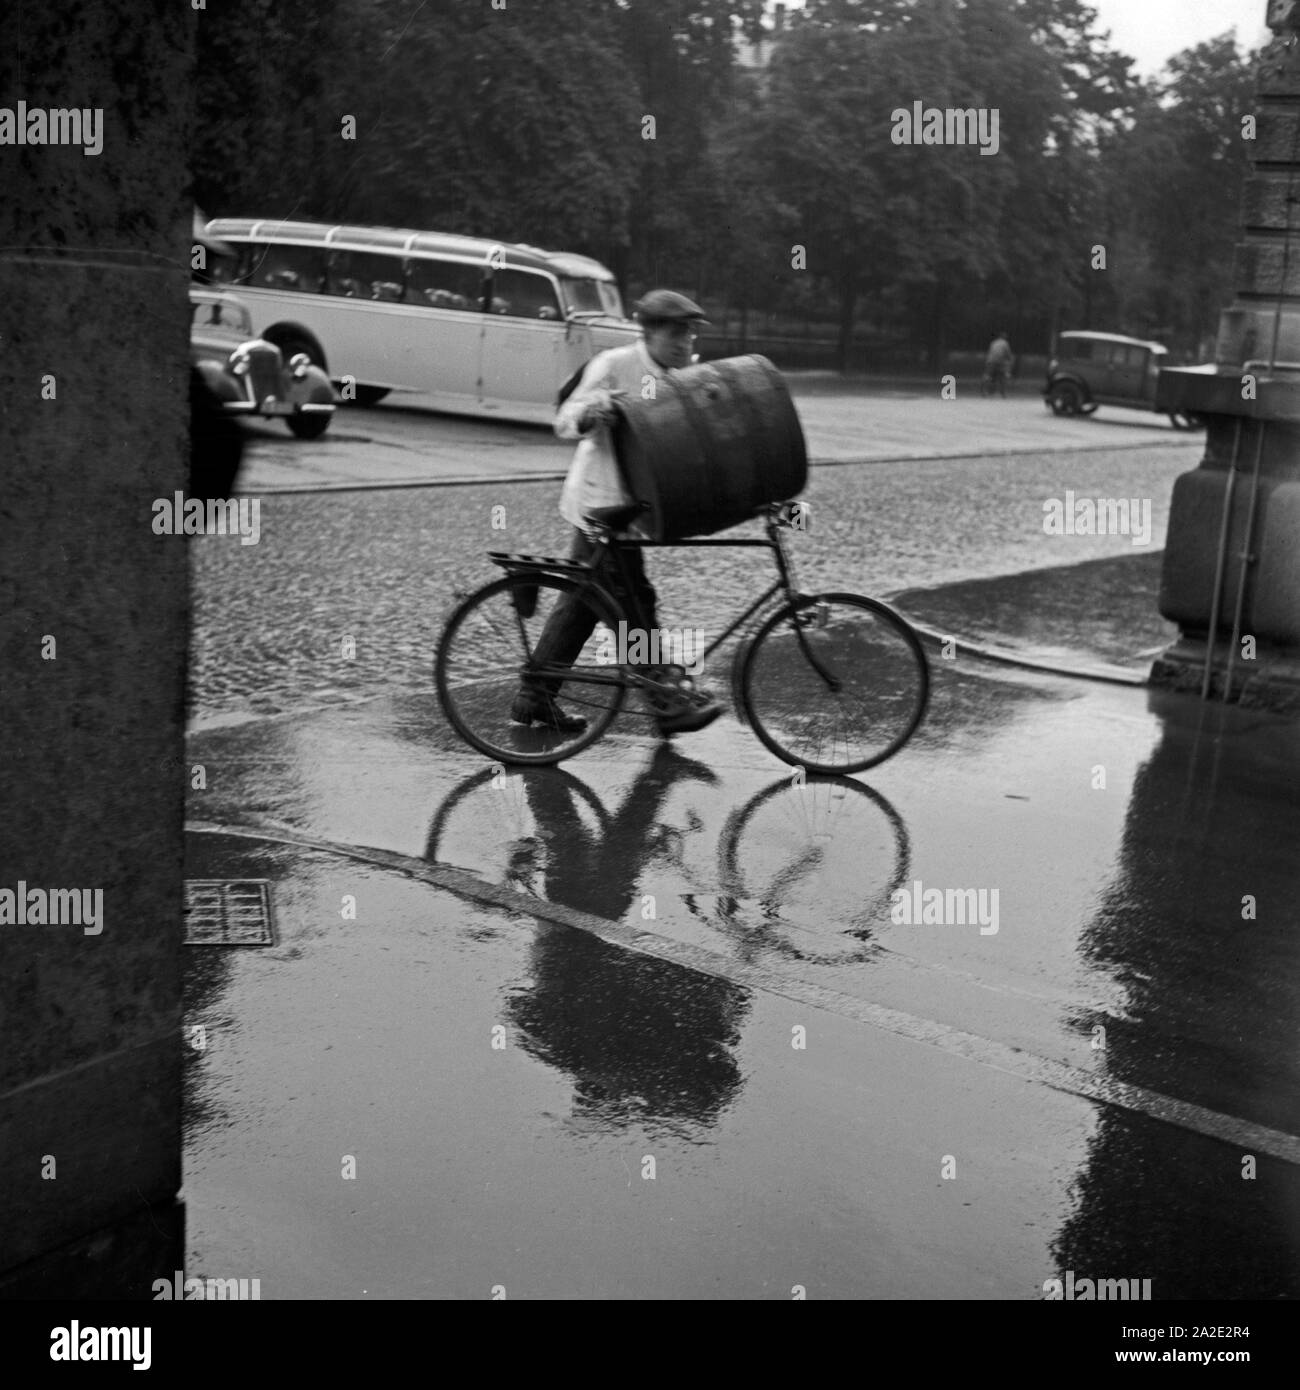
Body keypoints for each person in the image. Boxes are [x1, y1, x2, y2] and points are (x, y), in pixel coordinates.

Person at [510, 289, 723, 737]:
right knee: (633, 604)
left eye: (689, 333)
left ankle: (534, 698)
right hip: (598, 504)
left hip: (627, 511)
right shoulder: (615, 364)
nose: (684, 342)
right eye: (675, 332)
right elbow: (564, 418)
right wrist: (596, 410)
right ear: (648, 331)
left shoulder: (678, 376)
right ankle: (664, 703)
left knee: (585, 603)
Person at [983, 330, 1014, 397]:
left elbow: (990, 352)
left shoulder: (993, 342)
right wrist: (1010, 362)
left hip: (990, 361)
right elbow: (1008, 354)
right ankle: (1003, 393)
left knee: (988, 376)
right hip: (1000, 362)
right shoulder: (1005, 343)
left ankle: (985, 391)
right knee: (1002, 377)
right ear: (1005, 337)